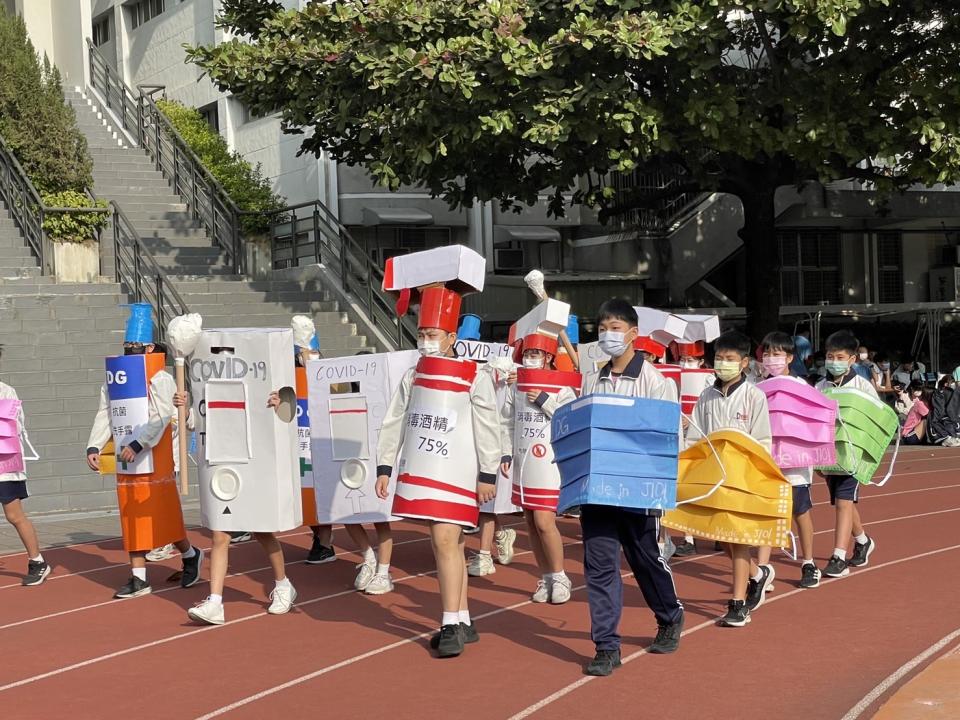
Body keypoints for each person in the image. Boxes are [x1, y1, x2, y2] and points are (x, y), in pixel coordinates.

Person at [376, 280, 501, 659]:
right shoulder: (413, 375)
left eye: (432, 334)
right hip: (424, 466)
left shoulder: (473, 374)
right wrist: (385, 464)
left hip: (459, 471)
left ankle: (449, 623)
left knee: (446, 541)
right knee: (448, 542)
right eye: (422, 333)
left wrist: (488, 474)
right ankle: (462, 617)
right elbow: (395, 419)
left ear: (450, 336)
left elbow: (488, 424)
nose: (426, 339)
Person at [578, 299, 685, 676]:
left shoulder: (655, 382)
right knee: (600, 564)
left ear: (633, 334)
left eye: (616, 327)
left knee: (644, 558)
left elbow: (669, 437)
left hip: (638, 488)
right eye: (603, 327)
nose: (608, 334)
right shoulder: (592, 378)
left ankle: (669, 615)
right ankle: (606, 646)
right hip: (598, 490)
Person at [86, 318, 203, 599]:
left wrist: (140, 443)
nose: (129, 350)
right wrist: (94, 446)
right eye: (126, 345)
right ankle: (139, 577)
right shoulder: (116, 375)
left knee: (163, 514)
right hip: (129, 457)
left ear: (149, 347)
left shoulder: (161, 378)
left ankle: (189, 553)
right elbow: (106, 412)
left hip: (158, 457)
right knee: (131, 512)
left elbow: (161, 417)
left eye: (134, 346)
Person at [186, 388, 298, 625]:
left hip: (253, 466)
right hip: (223, 466)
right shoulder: (210, 384)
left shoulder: (260, 385)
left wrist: (279, 408)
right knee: (220, 535)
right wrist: (185, 408)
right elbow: (195, 422)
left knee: (262, 530)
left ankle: (283, 585)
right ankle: (215, 602)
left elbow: (285, 422)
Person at [686, 331, 774, 627]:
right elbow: (694, 436)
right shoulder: (707, 396)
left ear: (744, 362)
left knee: (738, 541)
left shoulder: (754, 396)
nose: (723, 363)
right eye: (719, 358)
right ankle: (757, 574)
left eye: (730, 359)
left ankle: (737, 604)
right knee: (720, 538)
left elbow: (762, 440)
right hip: (712, 479)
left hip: (741, 479)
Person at [500, 334, 577, 603]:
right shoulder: (516, 385)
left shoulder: (562, 387)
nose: (531, 358)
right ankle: (545, 577)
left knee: (545, 521)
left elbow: (571, 420)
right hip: (523, 461)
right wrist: (505, 453)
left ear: (548, 358)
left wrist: (545, 400)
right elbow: (507, 422)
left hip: (549, 461)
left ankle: (560, 576)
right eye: (528, 353)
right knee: (530, 522)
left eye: (537, 353)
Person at [756, 332, 820, 590]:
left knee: (799, 512)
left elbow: (816, 420)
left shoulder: (803, 387)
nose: (771, 358)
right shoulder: (757, 388)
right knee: (767, 513)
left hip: (796, 466)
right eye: (768, 353)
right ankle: (762, 568)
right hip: (767, 463)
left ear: (790, 357)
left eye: (777, 353)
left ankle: (808, 562)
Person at [815, 330, 878, 578]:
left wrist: (866, 454)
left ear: (852, 359)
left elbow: (874, 419)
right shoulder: (821, 386)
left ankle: (838, 556)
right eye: (830, 356)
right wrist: (817, 457)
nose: (834, 361)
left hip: (853, 455)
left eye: (840, 356)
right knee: (843, 503)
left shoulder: (862, 386)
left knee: (843, 502)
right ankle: (862, 540)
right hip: (830, 455)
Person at [0, 355, 49, 586]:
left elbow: (14, 426)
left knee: (14, 515)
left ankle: (37, 561)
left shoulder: (6, 392)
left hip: (4, 464)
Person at [901, 380, 930, 445]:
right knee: (926, 421)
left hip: (907, 435)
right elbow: (929, 415)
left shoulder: (918, 402)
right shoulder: (919, 403)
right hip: (909, 436)